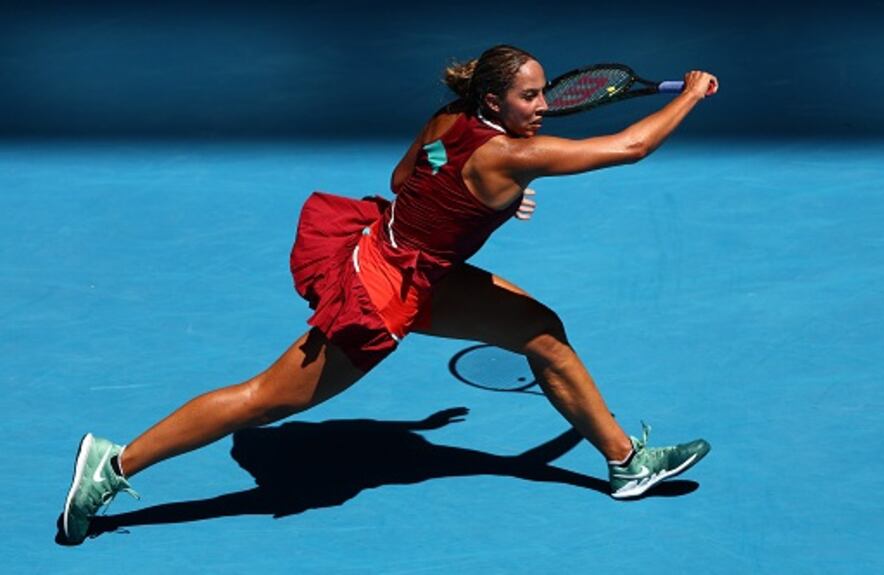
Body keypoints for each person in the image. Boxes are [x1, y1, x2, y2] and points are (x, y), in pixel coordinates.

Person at [56, 45, 718, 545]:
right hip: (382, 290)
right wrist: (690, 94)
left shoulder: (450, 118)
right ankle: (114, 464)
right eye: (529, 97)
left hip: (405, 257)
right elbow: (630, 146)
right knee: (264, 398)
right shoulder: (511, 157)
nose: (543, 106)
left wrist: (479, 202)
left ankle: (624, 462)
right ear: (493, 103)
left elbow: (408, 177)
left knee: (541, 331)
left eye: (544, 93)